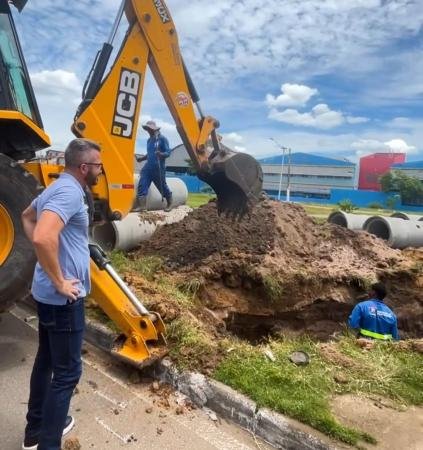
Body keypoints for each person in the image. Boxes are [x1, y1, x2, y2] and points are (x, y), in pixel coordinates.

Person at [21, 138, 102, 450]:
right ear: (84, 167)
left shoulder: (54, 187)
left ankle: (35, 431)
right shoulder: (69, 192)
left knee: (46, 361)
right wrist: (60, 281)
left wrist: (48, 264)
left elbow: (28, 217)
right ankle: (48, 443)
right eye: (98, 166)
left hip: (46, 297)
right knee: (67, 373)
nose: (100, 170)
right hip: (62, 300)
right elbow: (42, 236)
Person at [134, 120, 173, 212]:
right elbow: (149, 154)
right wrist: (141, 159)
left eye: (150, 129)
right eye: (147, 129)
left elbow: (168, 152)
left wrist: (161, 154)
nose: (149, 130)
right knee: (142, 184)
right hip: (148, 167)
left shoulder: (162, 139)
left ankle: (170, 203)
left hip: (158, 167)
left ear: (154, 129)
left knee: (162, 186)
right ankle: (142, 206)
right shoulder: (149, 140)